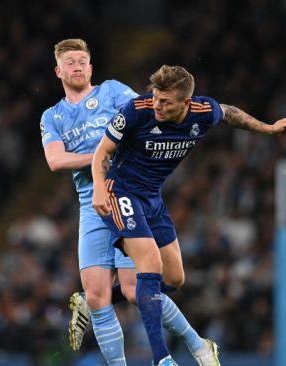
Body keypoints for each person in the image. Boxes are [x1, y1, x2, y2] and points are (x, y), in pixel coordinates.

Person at [90, 64, 286, 366]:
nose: (157, 105)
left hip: (152, 198)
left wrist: (268, 128)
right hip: (120, 191)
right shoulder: (137, 109)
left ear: (186, 103)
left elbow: (228, 112)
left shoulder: (202, 112)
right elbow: (102, 152)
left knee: (174, 278)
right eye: (156, 97)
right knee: (150, 265)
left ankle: (96, 299)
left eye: (166, 101)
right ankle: (162, 358)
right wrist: (99, 187)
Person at [41, 39, 220, 366]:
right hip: (92, 203)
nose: (78, 66)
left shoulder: (112, 91)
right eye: (70, 62)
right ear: (58, 71)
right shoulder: (52, 116)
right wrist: (100, 155)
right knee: (97, 297)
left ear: (91, 68)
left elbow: (144, 117)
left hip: (127, 194)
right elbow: (55, 160)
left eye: (83, 60)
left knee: (135, 289)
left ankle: (198, 344)